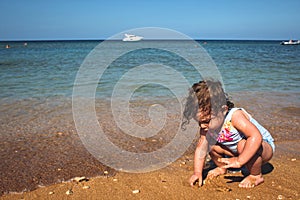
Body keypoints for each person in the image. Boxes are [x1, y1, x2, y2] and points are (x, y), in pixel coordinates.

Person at [182, 80, 275, 188]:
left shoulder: (235, 117)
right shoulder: (207, 127)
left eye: (207, 121)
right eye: (199, 122)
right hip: (237, 151)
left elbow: (255, 137)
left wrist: (240, 161)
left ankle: (256, 175)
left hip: (262, 147)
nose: (202, 126)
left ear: (223, 110)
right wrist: (197, 173)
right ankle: (222, 168)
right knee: (211, 145)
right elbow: (201, 149)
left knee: (242, 145)